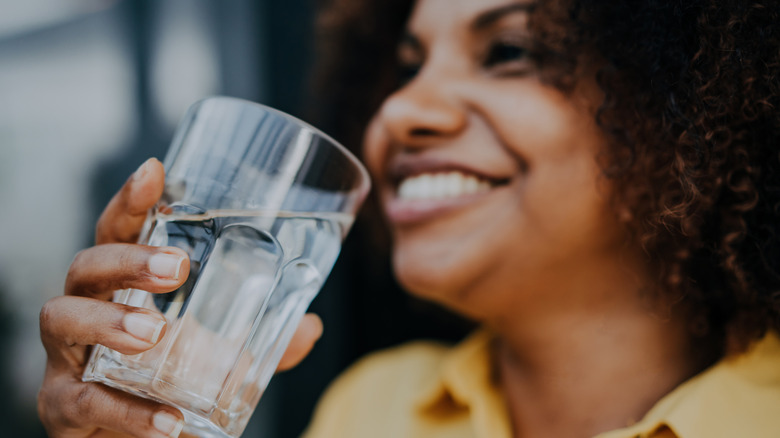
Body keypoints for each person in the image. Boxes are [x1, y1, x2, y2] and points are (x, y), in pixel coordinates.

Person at [38, 0, 780, 437]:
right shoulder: (369, 408)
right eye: (407, 66)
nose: (399, 110)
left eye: (510, 51)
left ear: (686, 111)